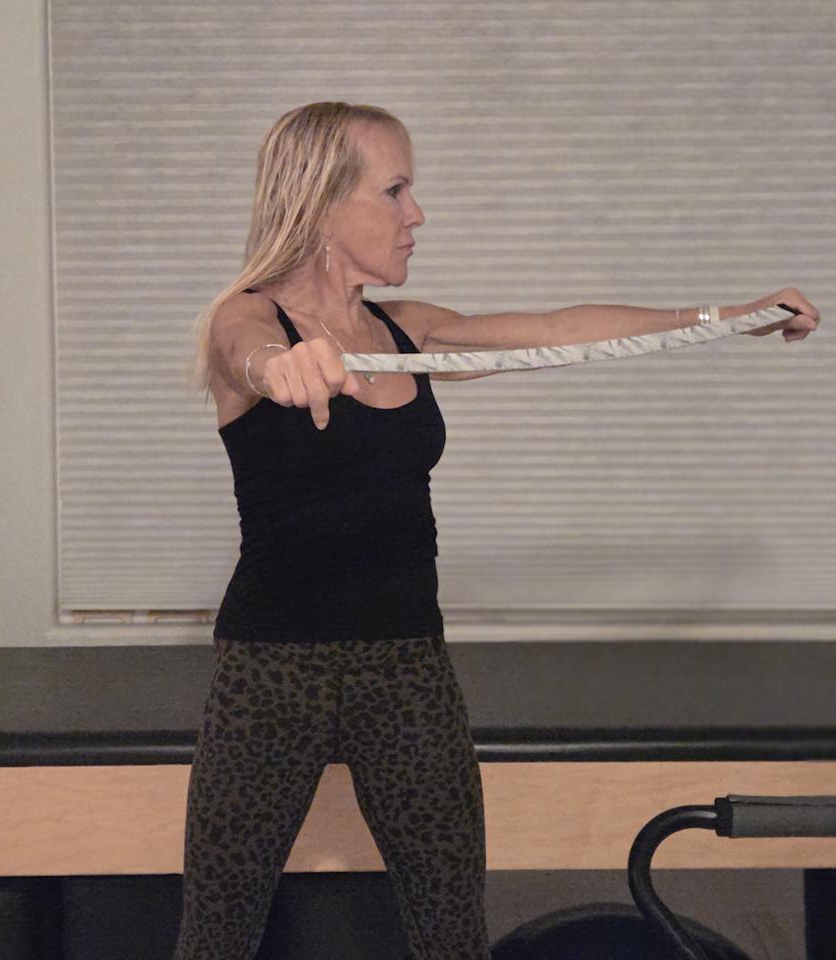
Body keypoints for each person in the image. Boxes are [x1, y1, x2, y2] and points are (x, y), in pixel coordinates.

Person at [174, 101, 820, 960]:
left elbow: (558, 333)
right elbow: (239, 349)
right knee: (218, 933)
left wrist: (729, 315)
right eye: (396, 190)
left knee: (450, 929)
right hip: (271, 670)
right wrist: (278, 366)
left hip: (406, 666)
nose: (417, 214)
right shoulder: (249, 320)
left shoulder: (409, 330)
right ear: (326, 205)